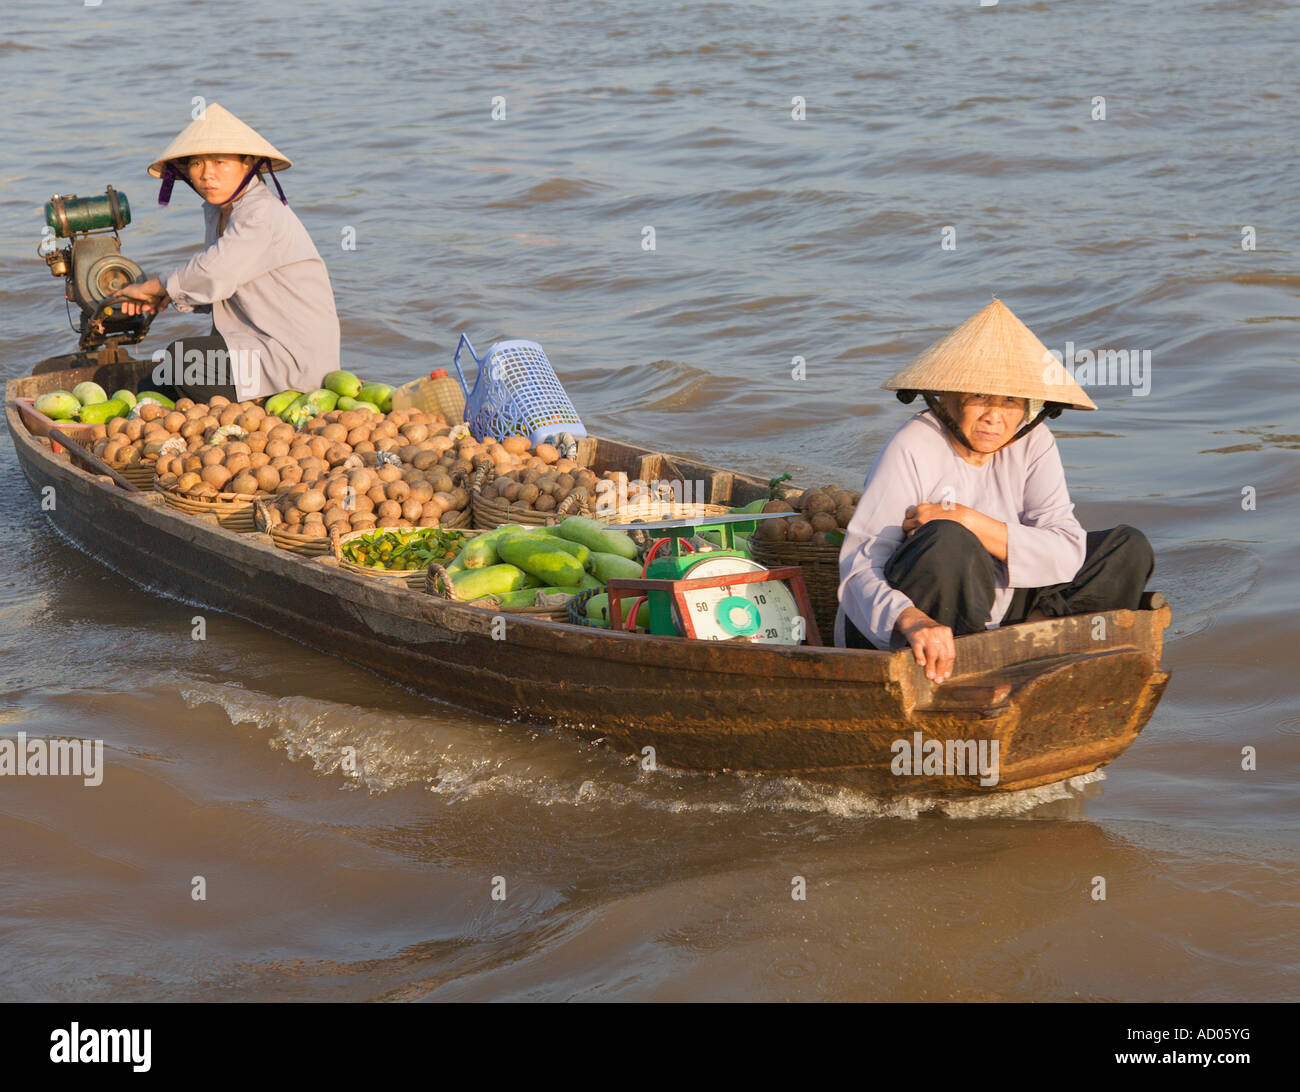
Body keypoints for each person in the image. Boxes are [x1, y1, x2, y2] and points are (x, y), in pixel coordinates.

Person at [836, 298, 1154, 684]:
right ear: (949, 400)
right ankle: (957, 669)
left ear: (1026, 408)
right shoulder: (913, 444)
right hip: (920, 620)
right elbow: (858, 568)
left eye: (1009, 401)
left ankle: (1028, 644)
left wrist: (969, 519)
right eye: (979, 397)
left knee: (1127, 548)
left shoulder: (1034, 442)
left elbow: (1067, 547)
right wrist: (913, 620)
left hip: (1001, 608)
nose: (994, 415)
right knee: (947, 538)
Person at [110, 103, 340, 402]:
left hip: (291, 357)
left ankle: (260, 401)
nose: (207, 175)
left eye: (220, 162)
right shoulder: (221, 213)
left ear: (248, 163)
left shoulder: (260, 213)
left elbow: (216, 273)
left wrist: (153, 287)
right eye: (196, 164)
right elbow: (223, 286)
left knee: (182, 360)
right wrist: (163, 297)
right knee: (155, 385)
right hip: (258, 344)